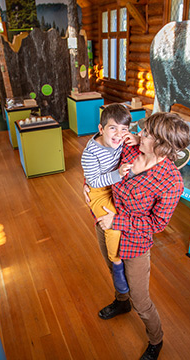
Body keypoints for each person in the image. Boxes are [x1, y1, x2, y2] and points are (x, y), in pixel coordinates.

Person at [86, 112, 190, 360]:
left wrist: (118, 221)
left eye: (147, 134)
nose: (140, 134)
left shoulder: (171, 181)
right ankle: (121, 302)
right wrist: (88, 182)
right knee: (113, 270)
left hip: (134, 241)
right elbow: (100, 157)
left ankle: (156, 340)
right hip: (106, 224)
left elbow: (157, 223)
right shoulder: (131, 150)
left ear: (162, 145)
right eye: (143, 130)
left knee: (141, 300)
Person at [81, 104, 137, 295]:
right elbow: (94, 181)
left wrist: (136, 137)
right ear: (101, 129)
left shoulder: (123, 139)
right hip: (100, 191)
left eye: (124, 129)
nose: (118, 134)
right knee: (113, 227)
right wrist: (118, 175)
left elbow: (140, 136)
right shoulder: (90, 153)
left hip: (116, 185)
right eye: (112, 127)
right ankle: (117, 263)